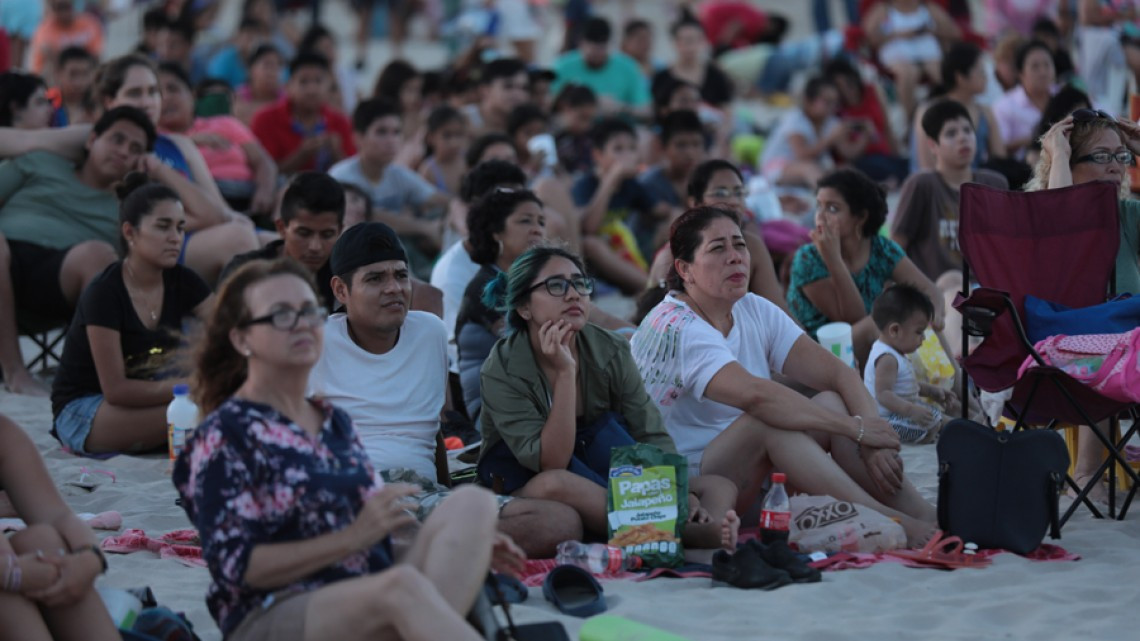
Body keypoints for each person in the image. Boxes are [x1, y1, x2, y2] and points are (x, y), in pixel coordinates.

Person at [174, 258, 524, 641]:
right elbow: (237, 567)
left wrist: (457, 548)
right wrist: (350, 539)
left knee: (472, 504)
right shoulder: (226, 435)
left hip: (359, 590)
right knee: (401, 590)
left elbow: (373, 534)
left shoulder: (332, 421)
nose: (302, 325)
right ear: (242, 339)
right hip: (273, 611)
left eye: (309, 312)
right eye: (281, 315)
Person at [631, 206, 936, 544]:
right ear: (685, 269)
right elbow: (759, 397)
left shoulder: (752, 308)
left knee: (832, 402)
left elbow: (839, 373)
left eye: (740, 245)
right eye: (718, 248)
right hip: (694, 490)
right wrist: (856, 429)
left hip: (756, 474)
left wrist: (872, 441)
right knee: (768, 421)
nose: (735, 257)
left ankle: (925, 516)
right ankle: (891, 520)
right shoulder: (677, 325)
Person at [308, 221, 581, 557]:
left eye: (401, 275)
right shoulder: (315, 342)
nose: (394, 288)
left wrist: (448, 493)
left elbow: (431, 426)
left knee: (559, 522)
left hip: (422, 494)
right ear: (340, 290)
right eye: (375, 279)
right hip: (353, 492)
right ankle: (436, 550)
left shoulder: (430, 331)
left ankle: (416, 550)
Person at [478, 245, 741, 548]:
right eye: (556, 286)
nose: (574, 295)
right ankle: (686, 536)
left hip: (601, 465)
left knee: (715, 486)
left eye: (580, 284)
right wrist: (565, 373)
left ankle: (703, 527)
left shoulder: (609, 349)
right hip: (529, 481)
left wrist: (682, 493)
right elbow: (551, 462)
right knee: (557, 485)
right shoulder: (503, 368)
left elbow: (649, 432)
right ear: (524, 307)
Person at [0, 106, 156, 397]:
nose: (124, 151)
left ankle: (84, 381)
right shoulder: (40, 162)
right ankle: (14, 372)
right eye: (117, 139)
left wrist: (160, 171)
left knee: (99, 255)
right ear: (91, 139)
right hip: (6, 251)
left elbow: (206, 218)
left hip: (60, 277)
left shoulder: (128, 210)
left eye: (135, 149)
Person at [51, 175, 212, 455]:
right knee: (203, 412)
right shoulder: (104, 292)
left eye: (180, 227)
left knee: (219, 406)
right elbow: (116, 390)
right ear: (130, 232)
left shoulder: (184, 281)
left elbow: (232, 329)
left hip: (154, 397)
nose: (175, 237)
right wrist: (192, 386)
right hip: (86, 408)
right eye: (163, 226)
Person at [1026, 107, 1140, 502]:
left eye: (1121, 156)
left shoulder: (1126, 217)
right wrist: (1058, 153)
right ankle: (1088, 472)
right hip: (1064, 350)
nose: (1116, 166)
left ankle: (1094, 471)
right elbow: (1062, 222)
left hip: (1127, 349)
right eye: (1101, 156)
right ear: (1068, 164)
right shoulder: (1038, 219)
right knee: (1108, 341)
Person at [96, 54, 260, 285]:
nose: (147, 102)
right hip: (151, 249)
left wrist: (235, 220)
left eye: (153, 92)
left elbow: (220, 209)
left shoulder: (179, 143)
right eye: (135, 93)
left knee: (277, 244)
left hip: (196, 233)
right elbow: (125, 224)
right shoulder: (113, 150)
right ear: (109, 101)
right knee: (238, 239)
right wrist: (197, 219)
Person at [787, 168, 944, 367]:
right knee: (878, 322)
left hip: (868, 348)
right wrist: (834, 260)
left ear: (860, 217)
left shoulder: (881, 248)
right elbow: (852, 318)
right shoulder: (808, 259)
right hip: (819, 354)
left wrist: (935, 317)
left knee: (922, 317)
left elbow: (930, 290)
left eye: (833, 208)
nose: (820, 216)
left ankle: (959, 385)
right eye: (819, 206)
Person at [892, 100, 1008, 358]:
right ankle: (961, 358)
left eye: (967, 130)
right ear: (933, 146)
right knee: (953, 282)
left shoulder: (994, 183)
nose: (963, 138)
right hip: (936, 294)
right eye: (951, 133)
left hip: (987, 289)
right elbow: (894, 249)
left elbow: (1009, 246)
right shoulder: (923, 185)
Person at [0, 413, 120, 641]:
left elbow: (59, 516)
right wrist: (12, 574)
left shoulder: (4, 434)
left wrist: (90, 557)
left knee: (42, 541)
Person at [646, 159, 793, 318]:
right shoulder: (673, 256)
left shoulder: (751, 245)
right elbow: (665, 322)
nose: (733, 201)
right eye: (720, 193)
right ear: (695, 203)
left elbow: (779, 312)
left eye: (739, 193)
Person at [455, 188, 550, 420]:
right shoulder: (486, 286)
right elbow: (529, 349)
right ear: (496, 231)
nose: (537, 229)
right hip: (494, 413)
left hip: (535, 398)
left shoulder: (536, 283)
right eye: (525, 221)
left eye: (541, 222)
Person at [330, 98, 452, 279]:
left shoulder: (397, 173)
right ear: (358, 137)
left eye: (396, 132)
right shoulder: (342, 175)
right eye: (381, 132)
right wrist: (425, 228)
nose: (391, 140)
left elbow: (441, 199)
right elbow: (366, 215)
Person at [156, 63, 278, 216]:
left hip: (250, 193)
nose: (166, 98)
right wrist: (189, 142)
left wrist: (264, 191)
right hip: (203, 199)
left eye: (173, 89)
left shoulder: (225, 123)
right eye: (158, 93)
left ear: (192, 95)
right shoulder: (155, 139)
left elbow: (263, 161)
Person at [573, 117, 669, 295]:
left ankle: (658, 283)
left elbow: (661, 210)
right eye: (618, 149)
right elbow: (589, 228)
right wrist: (611, 179)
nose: (627, 155)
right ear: (598, 155)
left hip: (626, 252)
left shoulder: (632, 185)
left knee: (670, 225)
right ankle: (653, 290)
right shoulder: (584, 185)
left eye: (632, 148)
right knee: (591, 244)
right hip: (597, 262)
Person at [221, 172, 344, 310]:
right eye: (304, 233)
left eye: (327, 235)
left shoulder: (345, 275)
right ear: (281, 228)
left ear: (340, 231)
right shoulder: (243, 273)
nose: (315, 247)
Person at [864, 284, 956, 444]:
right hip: (887, 419)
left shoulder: (896, 351)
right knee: (931, 424)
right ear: (895, 330)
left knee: (936, 417)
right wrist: (911, 410)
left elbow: (904, 386)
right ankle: (933, 440)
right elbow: (883, 394)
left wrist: (932, 391)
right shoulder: (887, 359)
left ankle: (961, 429)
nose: (924, 338)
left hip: (902, 411)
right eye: (919, 332)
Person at [252, 53, 356, 175]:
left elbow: (352, 173)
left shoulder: (341, 122)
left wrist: (336, 152)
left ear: (329, 86)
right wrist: (300, 156)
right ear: (288, 86)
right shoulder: (265, 120)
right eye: (303, 82)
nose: (312, 90)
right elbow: (262, 172)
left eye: (318, 81)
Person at [912, 41, 1007, 174]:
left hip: (974, 184)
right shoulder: (928, 110)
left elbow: (1000, 160)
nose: (985, 76)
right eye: (980, 71)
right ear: (960, 77)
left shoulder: (985, 111)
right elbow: (926, 166)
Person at [759, 76, 870, 189]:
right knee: (809, 169)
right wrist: (830, 139)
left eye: (836, 102)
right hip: (778, 166)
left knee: (846, 169)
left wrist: (865, 136)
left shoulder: (831, 122)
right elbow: (802, 155)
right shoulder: (795, 120)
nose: (832, 107)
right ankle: (825, 196)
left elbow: (848, 153)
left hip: (810, 168)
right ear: (809, 101)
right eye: (827, 102)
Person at [860, 0, 959, 120]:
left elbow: (954, 32)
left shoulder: (928, 7)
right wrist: (899, 34)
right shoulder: (883, 9)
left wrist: (930, 30)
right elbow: (868, 38)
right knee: (907, 74)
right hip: (898, 58)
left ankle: (954, 111)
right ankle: (911, 118)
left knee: (941, 73)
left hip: (929, 55)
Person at [822, 58, 909, 186]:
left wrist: (895, 155)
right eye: (839, 86)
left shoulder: (873, 91)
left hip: (883, 155)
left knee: (905, 165)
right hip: (861, 161)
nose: (846, 89)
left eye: (848, 83)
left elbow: (887, 129)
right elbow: (847, 155)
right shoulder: (835, 110)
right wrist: (866, 135)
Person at [551, 16, 651, 116]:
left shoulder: (628, 66)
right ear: (580, 43)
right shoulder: (562, 66)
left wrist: (620, 107)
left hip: (616, 123)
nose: (597, 54)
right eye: (592, 50)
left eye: (601, 49)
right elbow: (549, 105)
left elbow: (647, 111)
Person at [652, 16, 734, 111]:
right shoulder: (661, 78)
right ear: (675, 43)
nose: (690, 46)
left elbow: (726, 110)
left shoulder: (716, 76)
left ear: (703, 42)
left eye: (694, 40)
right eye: (686, 41)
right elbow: (657, 111)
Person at [993, 39, 1057, 159]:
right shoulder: (1004, 106)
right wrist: (1034, 139)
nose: (1043, 72)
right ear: (1020, 73)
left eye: (1047, 64)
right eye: (1035, 67)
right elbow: (999, 149)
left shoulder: (1068, 96)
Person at [29, 0, 104, 78]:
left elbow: (95, 55)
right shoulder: (44, 30)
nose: (64, 13)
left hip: (83, 71)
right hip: (56, 74)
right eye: (59, 8)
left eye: (66, 7)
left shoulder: (90, 24)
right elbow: (45, 58)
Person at [461, 58, 530, 136]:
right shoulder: (462, 120)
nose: (518, 94)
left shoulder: (529, 123)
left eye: (524, 88)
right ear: (485, 90)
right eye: (508, 86)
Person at [417, 106, 469, 198]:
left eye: (459, 134)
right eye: (447, 136)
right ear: (430, 137)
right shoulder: (428, 171)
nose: (454, 143)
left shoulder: (468, 160)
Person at [232, 44, 285, 126]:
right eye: (267, 65)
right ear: (250, 68)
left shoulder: (286, 100)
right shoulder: (236, 98)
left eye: (277, 66)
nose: (273, 72)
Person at [49, 46, 97, 127]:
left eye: (85, 74)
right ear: (58, 74)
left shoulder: (98, 106)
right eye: (73, 74)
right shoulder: (48, 105)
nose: (79, 82)